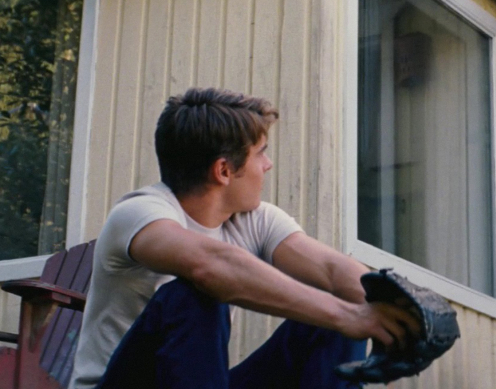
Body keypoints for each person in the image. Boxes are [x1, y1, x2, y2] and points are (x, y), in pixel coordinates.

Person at [70, 87, 420, 389]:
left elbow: (332, 270)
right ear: (224, 170)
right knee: (193, 294)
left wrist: (404, 317)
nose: (268, 165)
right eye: (261, 152)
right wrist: (348, 316)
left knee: (334, 310)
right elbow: (211, 265)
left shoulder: (252, 219)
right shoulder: (139, 214)